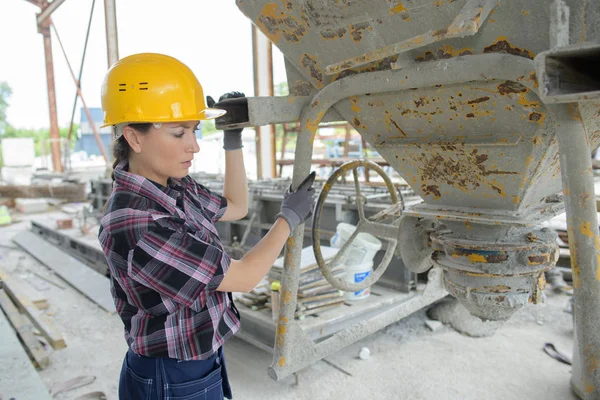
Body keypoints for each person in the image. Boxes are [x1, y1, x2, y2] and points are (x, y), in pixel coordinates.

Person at [97, 53, 315, 400]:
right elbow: (243, 277)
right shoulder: (138, 225)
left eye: (195, 131)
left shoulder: (174, 187)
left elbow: (236, 206)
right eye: (179, 132)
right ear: (134, 138)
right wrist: (288, 219)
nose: (194, 146)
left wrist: (232, 138)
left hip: (197, 359)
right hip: (169, 373)